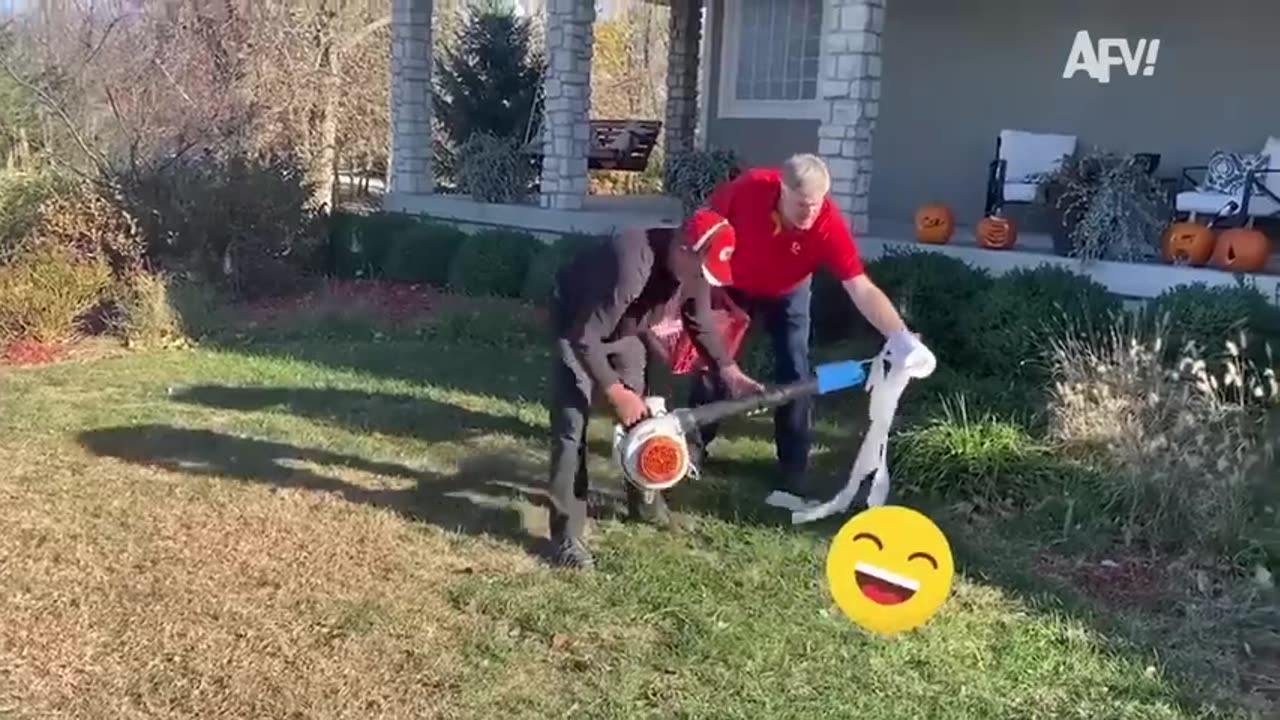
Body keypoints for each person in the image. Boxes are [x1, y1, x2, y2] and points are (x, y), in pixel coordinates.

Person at [686, 153, 936, 501]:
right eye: (802, 205)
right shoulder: (750, 187)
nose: (810, 213)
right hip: (733, 285)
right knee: (716, 362)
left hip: (789, 291)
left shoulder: (828, 224)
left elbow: (860, 287)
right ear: (781, 190)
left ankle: (793, 467)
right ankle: (693, 447)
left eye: (816, 205)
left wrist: (901, 337)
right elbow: (706, 225)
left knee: (795, 369)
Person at [546, 210, 766, 570]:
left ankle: (645, 505)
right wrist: (617, 392)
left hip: (625, 333)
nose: (701, 280)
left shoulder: (693, 265)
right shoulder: (631, 263)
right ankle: (566, 535)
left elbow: (699, 319)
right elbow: (585, 337)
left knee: (645, 422)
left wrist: (730, 371)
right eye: (699, 271)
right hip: (578, 328)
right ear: (682, 248)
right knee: (572, 426)